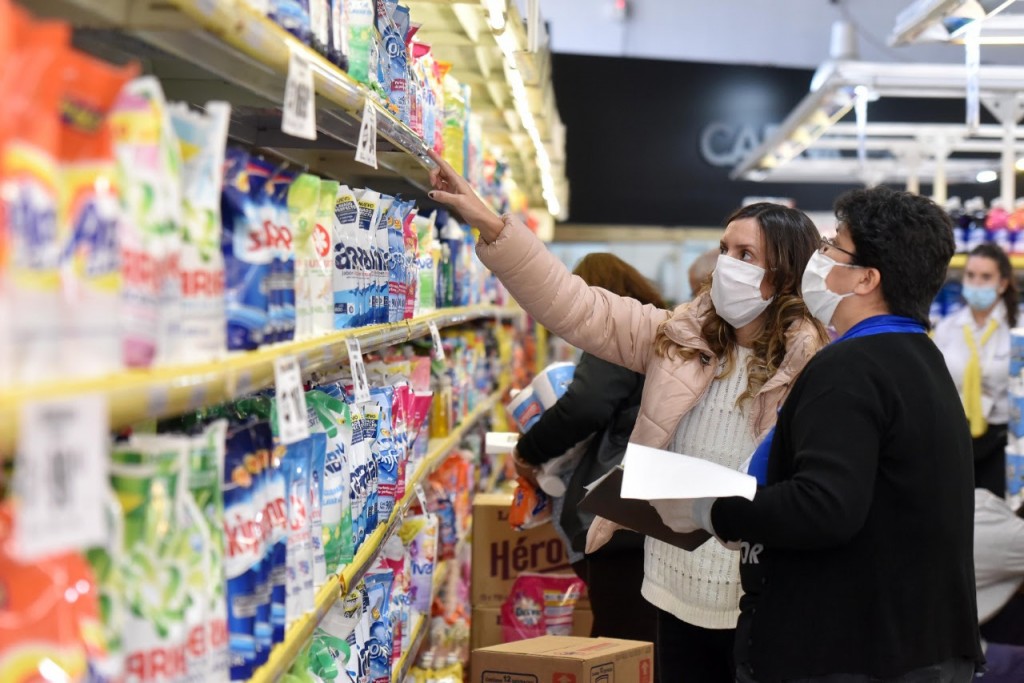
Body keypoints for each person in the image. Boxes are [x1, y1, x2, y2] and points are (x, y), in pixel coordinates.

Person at [426, 149, 830, 683]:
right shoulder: (675, 339)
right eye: (724, 249)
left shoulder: (818, 366)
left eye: (745, 254)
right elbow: (573, 304)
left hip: (756, 591)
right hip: (670, 582)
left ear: (785, 273)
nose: (726, 265)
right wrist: (493, 225)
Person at [654, 187, 983, 682]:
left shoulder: (851, 367)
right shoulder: (920, 358)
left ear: (867, 278)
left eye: (833, 245)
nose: (820, 255)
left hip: (848, 652)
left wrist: (709, 509)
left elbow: (824, 506)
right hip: (915, 643)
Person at [512, 253, 665, 644]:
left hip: (620, 512)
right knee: (645, 641)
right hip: (655, 510)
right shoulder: (660, 330)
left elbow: (585, 405)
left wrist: (528, 451)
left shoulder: (615, 334)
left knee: (621, 646)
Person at [933, 243, 1018, 497]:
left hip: (1002, 439)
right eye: (971, 275)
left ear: (1002, 283)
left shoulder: (1018, 330)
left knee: (997, 509)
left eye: (986, 277)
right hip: (956, 437)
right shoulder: (947, 328)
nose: (976, 283)